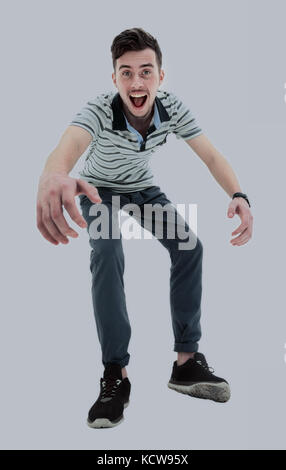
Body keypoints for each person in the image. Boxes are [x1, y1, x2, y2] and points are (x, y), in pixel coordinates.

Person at [36, 28, 253, 429]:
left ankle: (186, 365)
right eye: (126, 73)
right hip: (98, 191)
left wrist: (239, 194)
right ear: (114, 78)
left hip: (143, 190)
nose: (137, 83)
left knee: (190, 247)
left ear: (160, 76)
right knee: (107, 251)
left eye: (146, 72)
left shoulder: (172, 108)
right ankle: (115, 374)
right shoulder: (100, 109)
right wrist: (53, 175)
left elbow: (210, 155)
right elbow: (66, 146)